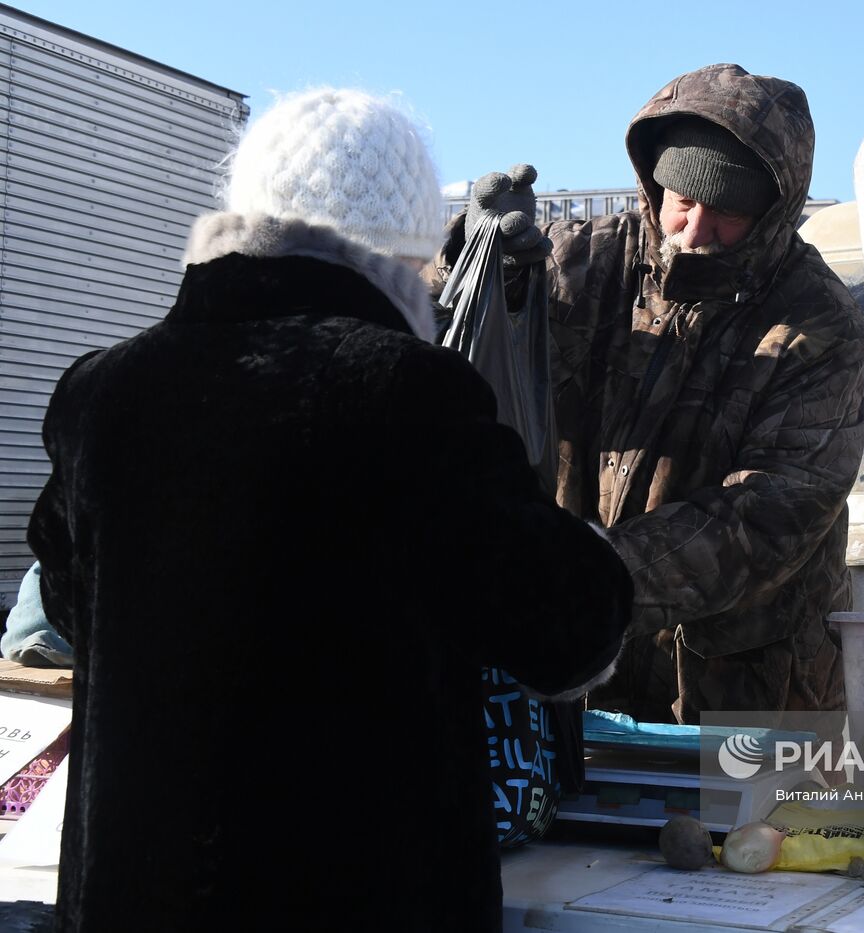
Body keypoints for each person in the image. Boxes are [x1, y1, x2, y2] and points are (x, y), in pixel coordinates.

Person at [28, 88, 631, 933]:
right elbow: (568, 621)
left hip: (133, 893)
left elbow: (63, 606)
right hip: (353, 894)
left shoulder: (100, 392)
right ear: (404, 244)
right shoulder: (402, 390)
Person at [437, 64, 864, 724]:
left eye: (725, 213)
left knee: (763, 833)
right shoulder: (580, 259)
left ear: (772, 210)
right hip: (572, 681)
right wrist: (475, 264)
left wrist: (593, 573)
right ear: (654, 186)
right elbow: (448, 357)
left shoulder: (817, 323)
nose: (696, 230)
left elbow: (773, 510)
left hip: (743, 690)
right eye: (683, 203)